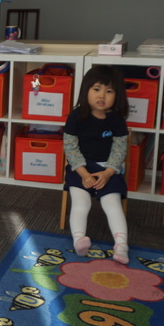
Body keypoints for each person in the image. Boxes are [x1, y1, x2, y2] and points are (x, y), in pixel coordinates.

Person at [63, 65, 130, 264]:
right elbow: (70, 148)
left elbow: (119, 150)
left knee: (112, 204)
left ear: (117, 95)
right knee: (81, 202)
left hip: (108, 169)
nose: (102, 95)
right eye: (97, 89)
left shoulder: (116, 119)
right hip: (80, 169)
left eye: (109, 91)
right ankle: (79, 240)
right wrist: (84, 174)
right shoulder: (76, 116)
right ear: (86, 91)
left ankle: (122, 245)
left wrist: (108, 173)